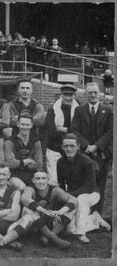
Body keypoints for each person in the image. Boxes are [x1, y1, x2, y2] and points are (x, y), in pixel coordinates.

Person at [57, 133, 111, 243]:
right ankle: (94, 219)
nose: (69, 148)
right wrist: (64, 197)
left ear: (78, 146)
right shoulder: (60, 162)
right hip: (74, 194)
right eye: (66, 146)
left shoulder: (87, 161)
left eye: (72, 146)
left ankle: (81, 233)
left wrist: (70, 195)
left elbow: (90, 187)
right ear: (62, 147)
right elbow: (61, 184)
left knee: (82, 199)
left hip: (92, 194)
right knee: (70, 230)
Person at [70, 82, 113, 215]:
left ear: (99, 93)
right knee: (85, 184)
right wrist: (86, 145)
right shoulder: (79, 110)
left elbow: (111, 131)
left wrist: (96, 146)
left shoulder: (108, 110)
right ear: (85, 94)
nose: (93, 95)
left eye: (95, 92)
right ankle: (83, 215)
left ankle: (97, 215)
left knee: (101, 184)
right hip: (84, 153)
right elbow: (74, 130)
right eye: (90, 93)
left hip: (102, 153)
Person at [21, 171, 75, 249]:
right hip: (34, 226)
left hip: (50, 222)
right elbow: (24, 199)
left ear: (48, 180)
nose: (41, 181)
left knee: (71, 209)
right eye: (38, 179)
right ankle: (55, 240)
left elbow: (74, 200)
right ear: (33, 180)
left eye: (43, 178)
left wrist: (60, 212)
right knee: (27, 209)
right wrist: (44, 211)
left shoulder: (54, 190)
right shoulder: (30, 189)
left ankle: (47, 237)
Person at [44, 84, 79, 183]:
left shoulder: (78, 109)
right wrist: (71, 131)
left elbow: (79, 130)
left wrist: (64, 130)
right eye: (65, 95)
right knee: (54, 180)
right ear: (61, 95)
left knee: (71, 180)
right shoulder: (53, 109)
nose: (68, 98)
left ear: (74, 96)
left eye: (71, 95)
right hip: (54, 148)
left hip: (71, 149)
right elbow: (51, 133)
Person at [5, 112, 43, 187]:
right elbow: (10, 164)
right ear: (18, 124)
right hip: (14, 175)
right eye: (22, 124)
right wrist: (27, 161)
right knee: (22, 187)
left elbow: (38, 164)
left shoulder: (36, 142)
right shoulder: (10, 141)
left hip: (32, 175)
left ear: (31, 125)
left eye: (27, 124)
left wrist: (19, 164)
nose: (25, 127)